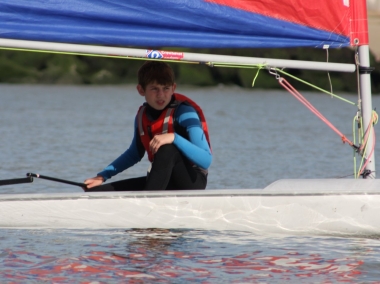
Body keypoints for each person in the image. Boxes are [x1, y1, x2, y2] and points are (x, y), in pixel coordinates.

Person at [84, 61, 212, 191]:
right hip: (163, 179)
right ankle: (147, 200)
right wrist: (102, 176)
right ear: (141, 90)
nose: (161, 94)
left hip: (192, 181)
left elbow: (206, 161)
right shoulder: (141, 116)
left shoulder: (185, 112)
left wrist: (174, 138)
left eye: (166, 88)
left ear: (173, 88)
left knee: (167, 149)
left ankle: (148, 204)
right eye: (154, 88)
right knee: (96, 192)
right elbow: (134, 154)